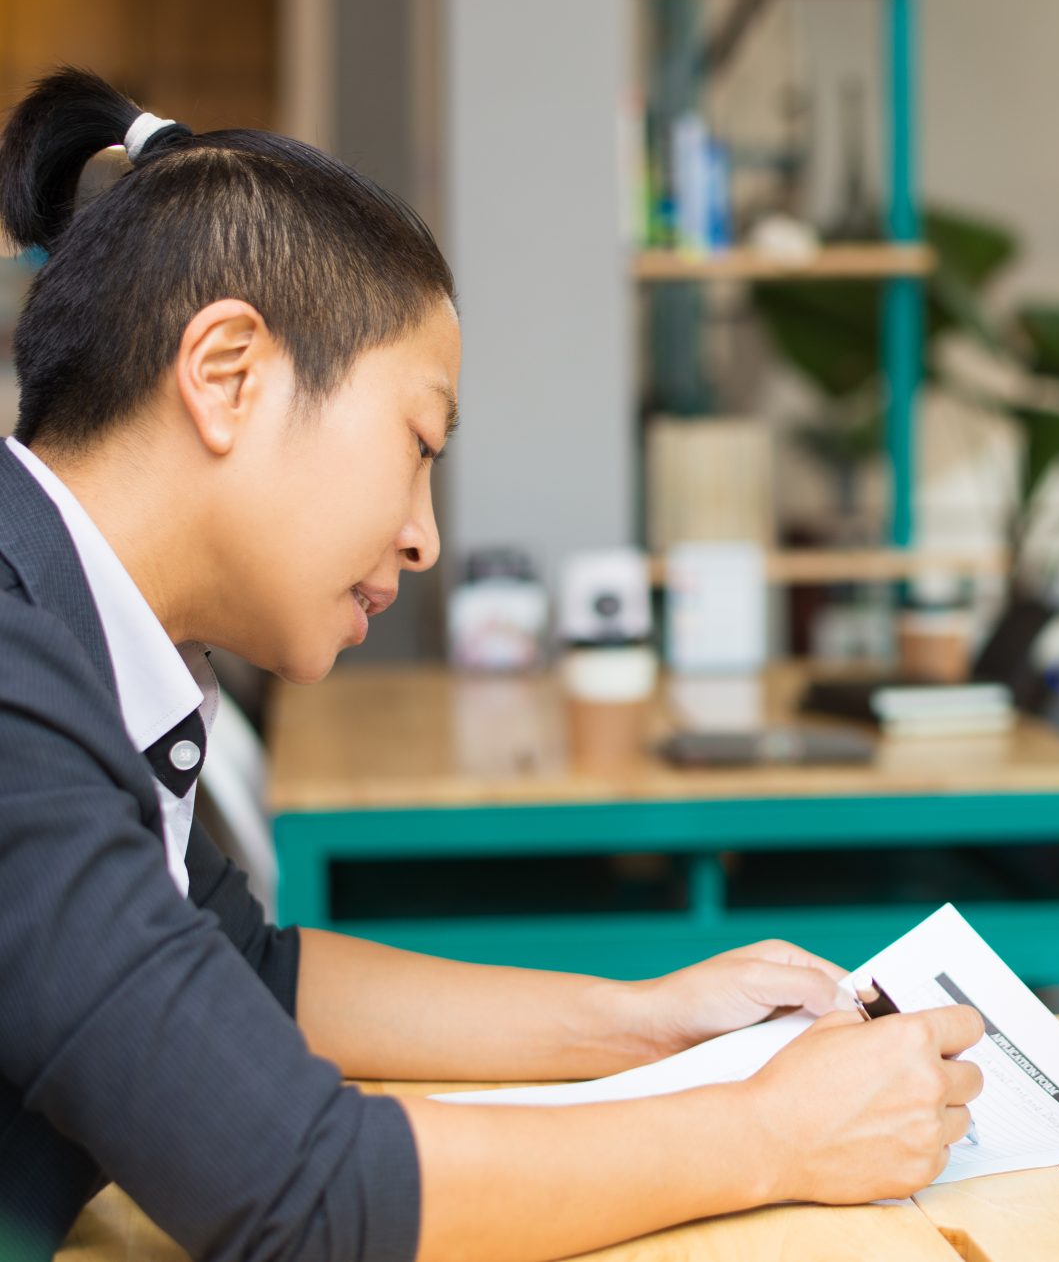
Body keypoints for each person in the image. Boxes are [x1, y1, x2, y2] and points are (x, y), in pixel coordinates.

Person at [0, 69, 985, 1262]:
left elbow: (249, 975)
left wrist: (645, 1024)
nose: (423, 533)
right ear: (225, 374)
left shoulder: (70, 640)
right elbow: (297, 1191)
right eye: (417, 442)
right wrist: (768, 1134)